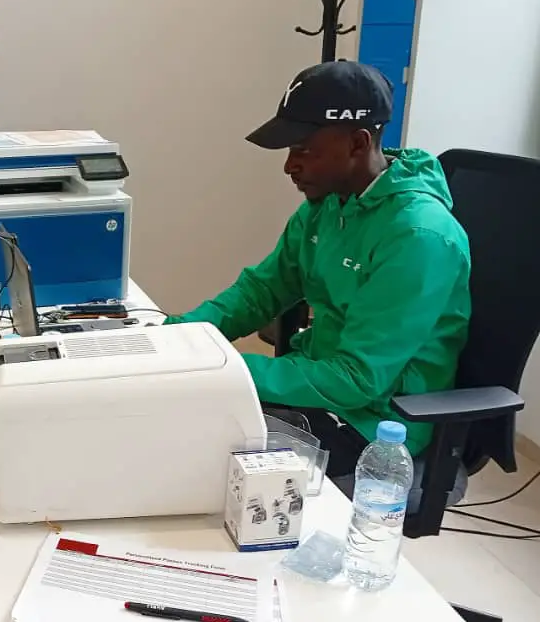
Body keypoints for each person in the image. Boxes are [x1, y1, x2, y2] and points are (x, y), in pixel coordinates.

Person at [165, 61, 472, 507]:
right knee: (168, 413)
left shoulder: (417, 236)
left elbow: (356, 379)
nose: (290, 165)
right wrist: (183, 334)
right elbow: (261, 291)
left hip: (374, 426)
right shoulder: (326, 206)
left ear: (357, 142)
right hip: (320, 391)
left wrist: (220, 367)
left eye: (304, 149)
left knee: (192, 450)